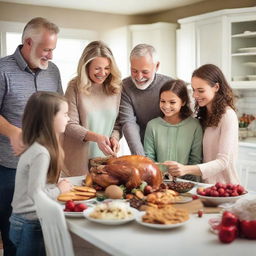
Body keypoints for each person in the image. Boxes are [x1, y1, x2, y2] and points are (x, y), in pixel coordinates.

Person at [0, 17, 63, 256]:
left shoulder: (53, 72)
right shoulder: (2, 70)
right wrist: (13, 131)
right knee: (13, 236)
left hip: (45, 166)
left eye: (53, 49)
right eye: (46, 49)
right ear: (28, 42)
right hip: (8, 168)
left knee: (41, 234)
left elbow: (58, 114)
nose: (51, 56)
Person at [9, 91, 73, 256]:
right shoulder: (41, 153)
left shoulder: (38, 148)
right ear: (50, 119)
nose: (68, 118)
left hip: (23, 221)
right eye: (65, 114)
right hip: (29, 223)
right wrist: (59, 190)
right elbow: (35, 194)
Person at [168, 64, 240, 184]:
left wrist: (185, 169)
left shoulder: (228, 116)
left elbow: (223, 161)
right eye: (194, 90)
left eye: (201, 91)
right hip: (205, 187)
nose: (195, 95)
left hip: (225, 189)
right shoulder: (204, 113)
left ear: (216, 87)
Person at [63, 41, 122, 176]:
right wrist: (97, 138)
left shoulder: (116, 87)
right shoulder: (74, 87)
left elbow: (118, 123)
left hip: (105, 162)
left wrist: (114, 138)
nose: (103, 73)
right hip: (77, 161)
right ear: (86, 66)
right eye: (97, 68)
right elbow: (68, 124)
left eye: (107, 68)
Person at [112, 43, 172, 156]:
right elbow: (128, 123)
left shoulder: (170, 85)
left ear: (157, 66)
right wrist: (141, 158)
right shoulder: (124, 87)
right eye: (134, 71)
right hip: (142, 149)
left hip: (170, 148)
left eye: (145, 72)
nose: (139, 77)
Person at [144, 79, 203, 181]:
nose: (166, 106)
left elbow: (195, 160)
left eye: (172, 102)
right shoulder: (152, 125)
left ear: (183, 102)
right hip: (159, 182)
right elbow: (149, 159)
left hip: (188, 183)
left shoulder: (194, 125)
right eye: (162, 101)